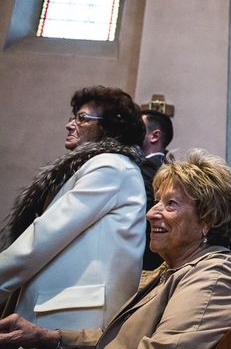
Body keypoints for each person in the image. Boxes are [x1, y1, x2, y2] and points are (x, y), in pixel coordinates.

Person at [0, 149, 231, 348]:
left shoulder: (217, 274)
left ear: (207, 220)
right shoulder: (168, 270)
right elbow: (117, 340)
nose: (151, 214)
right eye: (157, 202)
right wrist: (48, 337)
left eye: (171, 205)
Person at [0, 86, 147, 330]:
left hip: (72, 317)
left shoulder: (110, 167)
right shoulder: (95, 167)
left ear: (110, 127)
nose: (70, 125)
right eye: (73, 117)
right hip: (55, 309)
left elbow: (45, 235)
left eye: (83, 118)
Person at [140, 109, 175, 270]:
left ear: (154, 135)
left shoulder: (146, 169)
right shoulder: (169, 165)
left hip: (146, 255)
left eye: (138, 128)